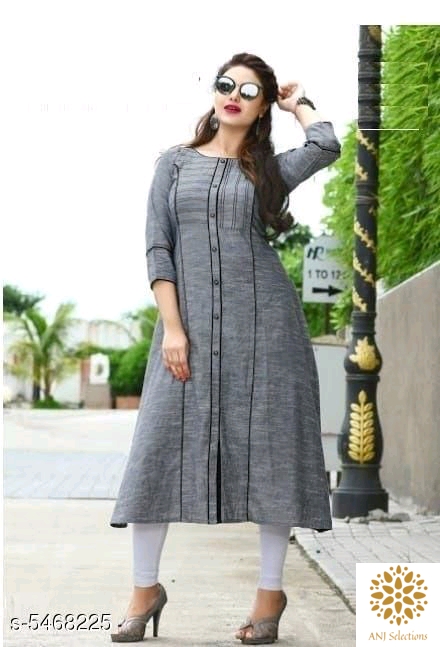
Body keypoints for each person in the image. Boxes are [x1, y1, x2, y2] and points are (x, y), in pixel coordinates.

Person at [109, 52, 341, 644]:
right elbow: (158, 247)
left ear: (262, 107)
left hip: (267, 330)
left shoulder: (267, 171)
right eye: (226, 85)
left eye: (250, 90)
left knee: (273, 452)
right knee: (157, 448)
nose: (234, 95)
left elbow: (326, 145)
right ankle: (144, 590)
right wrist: (174, 328)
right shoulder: (174, 163)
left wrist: (298, 103)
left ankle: (269, 594)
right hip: (186, 329)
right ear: (213, 94)